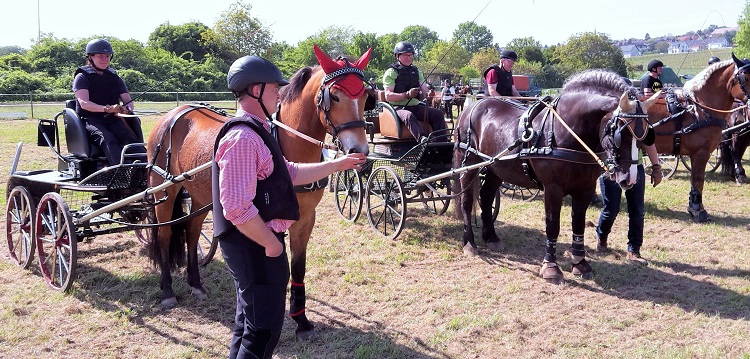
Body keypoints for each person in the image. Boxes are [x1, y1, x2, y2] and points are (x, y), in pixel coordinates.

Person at [212, 55, 366, 359]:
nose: (280, 95)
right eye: (273, 89)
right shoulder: (243, 137)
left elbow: (289, 171)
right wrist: (272, 245)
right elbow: (237, 208)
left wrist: (338, 164)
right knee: (262, 332)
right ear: (255, 91)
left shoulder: (259, 130)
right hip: (254, 244)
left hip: (257, 241)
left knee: (248, 325)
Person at [72, 38, 141, 165]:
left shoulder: (114, 77)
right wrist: (107, 109)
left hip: (113, 119)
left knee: (132, 141)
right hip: (91, 120)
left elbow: (128, 100)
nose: (105, 59)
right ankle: (120, 172)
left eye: (108, 56)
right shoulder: (82, 77)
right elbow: (84, 103)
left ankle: (145, 169)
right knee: (108, 140)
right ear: (90, 57)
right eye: (100, 56)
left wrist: (127, 109)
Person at [595, 141, 663, 264]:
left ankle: (634, 250)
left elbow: (650, 141)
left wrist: (656, 167)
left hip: (635, 166)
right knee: (611, 209)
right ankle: (602, 236)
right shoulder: (606, 121)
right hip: (611, 167)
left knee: (637, 210)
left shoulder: (640, 122)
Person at [382, 41, 447, 142]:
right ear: (397, 56)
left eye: (410, 55)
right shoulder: (392, 72)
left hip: (416, 107)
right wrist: (406, 95)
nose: (408, 57)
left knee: (438, 113)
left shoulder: (416, 71)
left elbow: (424, 89)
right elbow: (388, 96)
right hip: (398, 108)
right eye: (405, 55)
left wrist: (429, 94)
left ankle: (442, 142)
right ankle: (422, 139)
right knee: (408, 115)